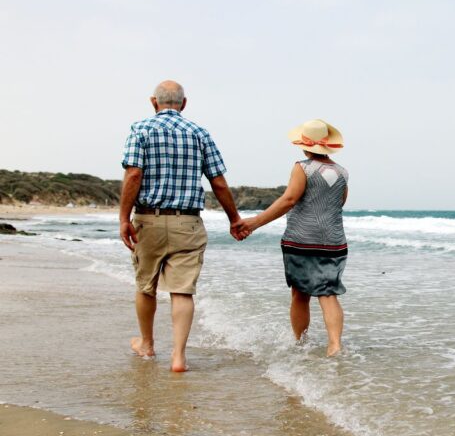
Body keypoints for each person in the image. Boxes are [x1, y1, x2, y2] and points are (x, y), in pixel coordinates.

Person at [119, 80, 247, 372]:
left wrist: (124, 218)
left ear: (154, 102)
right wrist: (234, 219)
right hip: (187, 222)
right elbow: (218, 182)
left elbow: (133, 175)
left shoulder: (140, 129)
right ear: (184, 103)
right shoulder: (199, 133)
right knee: (182, 291)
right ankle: (178, 357)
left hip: (148, 219)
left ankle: (147, 346)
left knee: (145, 286)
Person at [239, 119, 349, 357]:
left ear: (304, 145)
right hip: (334, 241)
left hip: (301, 240)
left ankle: (300, 343)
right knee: (328, 292)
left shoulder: (303, 167)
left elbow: (289, 200)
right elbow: (338, 204)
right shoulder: (342, 172)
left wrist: (255, 222)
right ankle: (335, 345)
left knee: (300, 293)